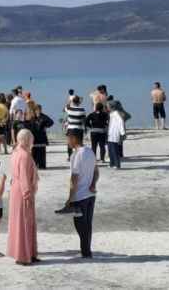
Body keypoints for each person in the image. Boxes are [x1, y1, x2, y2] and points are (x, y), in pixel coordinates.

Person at [56, 128, 99, 258]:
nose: (67, 141)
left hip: (80, 196)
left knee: (81, 226)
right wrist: (92, 184)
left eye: (68, 138)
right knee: (87, 225)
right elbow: (96, 171)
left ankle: (86, 252)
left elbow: (74, 179)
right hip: (91, 195)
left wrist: (70, 198)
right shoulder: (90, 151)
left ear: (74, 138)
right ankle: (87, 251)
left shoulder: (76, 155)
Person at [7, 129, 39, 266]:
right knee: (24, 223)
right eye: (31, 139)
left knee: (21, 222)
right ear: (26, 140)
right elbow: (24, 177)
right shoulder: (24, 155)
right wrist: (27, 194)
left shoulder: (16, 153)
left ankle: (29, 253)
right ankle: (23, 256)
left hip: (16, 190)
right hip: (22, 192)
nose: (32, 141)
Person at [31, 105, 54, 169]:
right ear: (35, 110)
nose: (38, 111)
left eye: (39, 109)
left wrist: (46, 126)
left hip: (42, 136)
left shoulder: (44, 116)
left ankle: (42, 165)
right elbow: (30, 125)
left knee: (42, 152)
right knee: (34, 152)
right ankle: (34, 165)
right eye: (37, 110)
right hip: (34, 136)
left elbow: (51, 122)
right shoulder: (33, 117)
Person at [65, 95, 86, 161]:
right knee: (79, 143)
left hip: (71, 128)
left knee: (69, 143)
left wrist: (69, 101)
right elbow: (84, 120)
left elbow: (66, 107)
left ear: (73, 101)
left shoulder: (69, 109)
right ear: (79, 102)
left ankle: (70, 156)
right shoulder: (82, 109)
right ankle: (80, 156)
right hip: (79, 128)